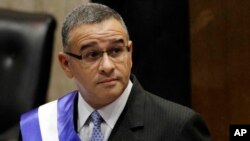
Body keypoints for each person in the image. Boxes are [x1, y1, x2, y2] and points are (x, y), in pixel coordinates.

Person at [19, 2, 210, 141]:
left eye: (116, 51)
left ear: (130, 52)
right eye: (92, 54)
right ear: (66, 64)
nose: (107, 66)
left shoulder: (178, 127)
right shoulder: (39, 126)